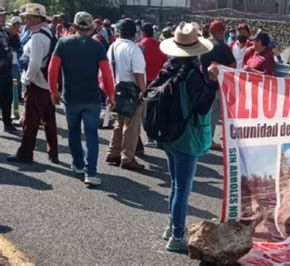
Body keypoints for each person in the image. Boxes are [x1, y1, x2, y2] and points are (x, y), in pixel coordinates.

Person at [154, 21, 218, 252]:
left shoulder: (168, 69)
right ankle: (178, 235)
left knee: (175, 185)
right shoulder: (192, 75)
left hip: (169, 135)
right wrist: (211, 83)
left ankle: (172, 227)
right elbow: (201, 107)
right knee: (182, 188)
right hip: (187, 136)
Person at [48, 12, 115, 186]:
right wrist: (110, 94)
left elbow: (52, 69)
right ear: (91, 28)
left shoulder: (63, 43)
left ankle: (78, 164)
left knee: (74, 131)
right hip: (91, 97)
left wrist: (53, 91)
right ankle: (90, 172)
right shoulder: (97, 46)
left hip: (71, 96)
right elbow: (106, 73)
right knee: (92, 134)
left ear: (75, 27)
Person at [7, 3, 58, 163]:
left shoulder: (37, 37)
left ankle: (25, 153)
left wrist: (26, 80)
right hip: (47, 84)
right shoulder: (48, 33)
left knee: (31, 121)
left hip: (37, 84)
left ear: (37, 18)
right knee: (49, 120)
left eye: (28, 17)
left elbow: (35, 63)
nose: (25, 20)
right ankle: (53, 152)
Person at [105, 19, 147, 171]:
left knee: (119, 121)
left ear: (119, 32)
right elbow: (138, 75)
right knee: (131, 126)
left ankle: (113, 152)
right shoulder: (133, 49)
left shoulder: (113, 47)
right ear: (134, 33)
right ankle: (127, 157)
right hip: (131, 91)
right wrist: (144, 91)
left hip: (116, 88)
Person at [199, 20, 236, 151]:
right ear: (219, 32)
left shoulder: (203, 45)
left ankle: (202, 138)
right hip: (218, 85)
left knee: (204, 113)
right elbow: (233, 65)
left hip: (203, 83)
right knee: (213, 115)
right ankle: (208, 140)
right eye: (222, 32)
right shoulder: (222, 47)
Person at [0, 7, 19, 133]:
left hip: (6, 71)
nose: (3, 17)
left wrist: (14, 34)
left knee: (8, 98)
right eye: (1, 15)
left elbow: (13, 46)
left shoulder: (4, 30)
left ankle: (7, 124)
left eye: (4, 15)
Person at [8, 16, 22, 103]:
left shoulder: (17, 36)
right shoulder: (7, 35)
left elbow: (16, 48)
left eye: (19, 24)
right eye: (17, 24)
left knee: (17, 80)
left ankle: (17, 97)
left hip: (15, 61)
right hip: (10, 61)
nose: (19, 26)